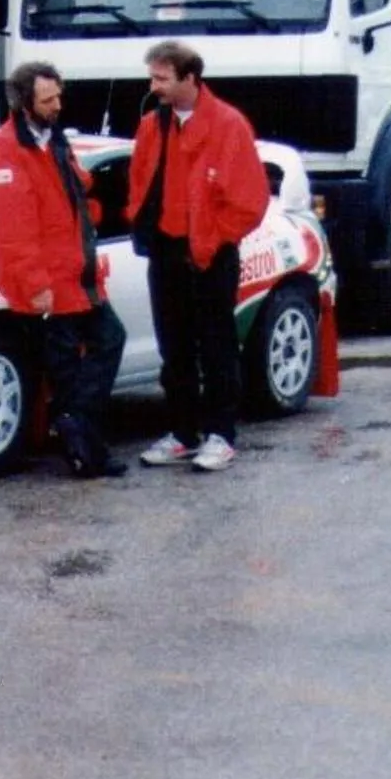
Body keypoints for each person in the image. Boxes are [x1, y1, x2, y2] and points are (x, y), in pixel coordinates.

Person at [0, 62, 128, 479]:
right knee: (69, 370)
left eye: (59, 96)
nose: (58, 105)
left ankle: (76, 429)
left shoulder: (54, 142)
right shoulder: (3, 154)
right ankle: (85, 449)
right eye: (48, 100)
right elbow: (12, 232)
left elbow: (76, 199)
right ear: (24, 103)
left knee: (107, 343)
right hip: (52, 285)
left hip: (79, 278)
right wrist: (35, 284)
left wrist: (92, 216)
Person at [124, 40, 270, 474]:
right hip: (166, 250)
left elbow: (250, 200)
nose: (154, 87)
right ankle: (183, 433)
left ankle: (221, 434)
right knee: (175, 346)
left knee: (216, 345)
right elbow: (138, 179)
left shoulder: (228, 125)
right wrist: (141, 221)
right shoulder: (152, 125)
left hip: (209, 253)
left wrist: (210, 241)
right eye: (152, 78)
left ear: (190, 78)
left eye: (162, 79)